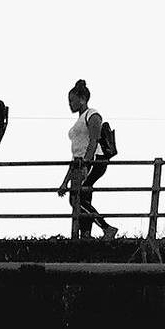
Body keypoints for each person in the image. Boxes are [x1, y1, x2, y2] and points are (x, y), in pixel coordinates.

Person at [57, 79, 116, 240]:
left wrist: (87, 163)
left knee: (77, 198)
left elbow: (94, 140)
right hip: (80, 162)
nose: (70, 104)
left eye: (72, 100)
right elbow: (75, 155)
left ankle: (107, 228)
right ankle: (86, 234)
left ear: (82, 98)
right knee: (83, 197)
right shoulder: (80, 120)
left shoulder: (92, 114)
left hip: (93, 160)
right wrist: (65, 181)